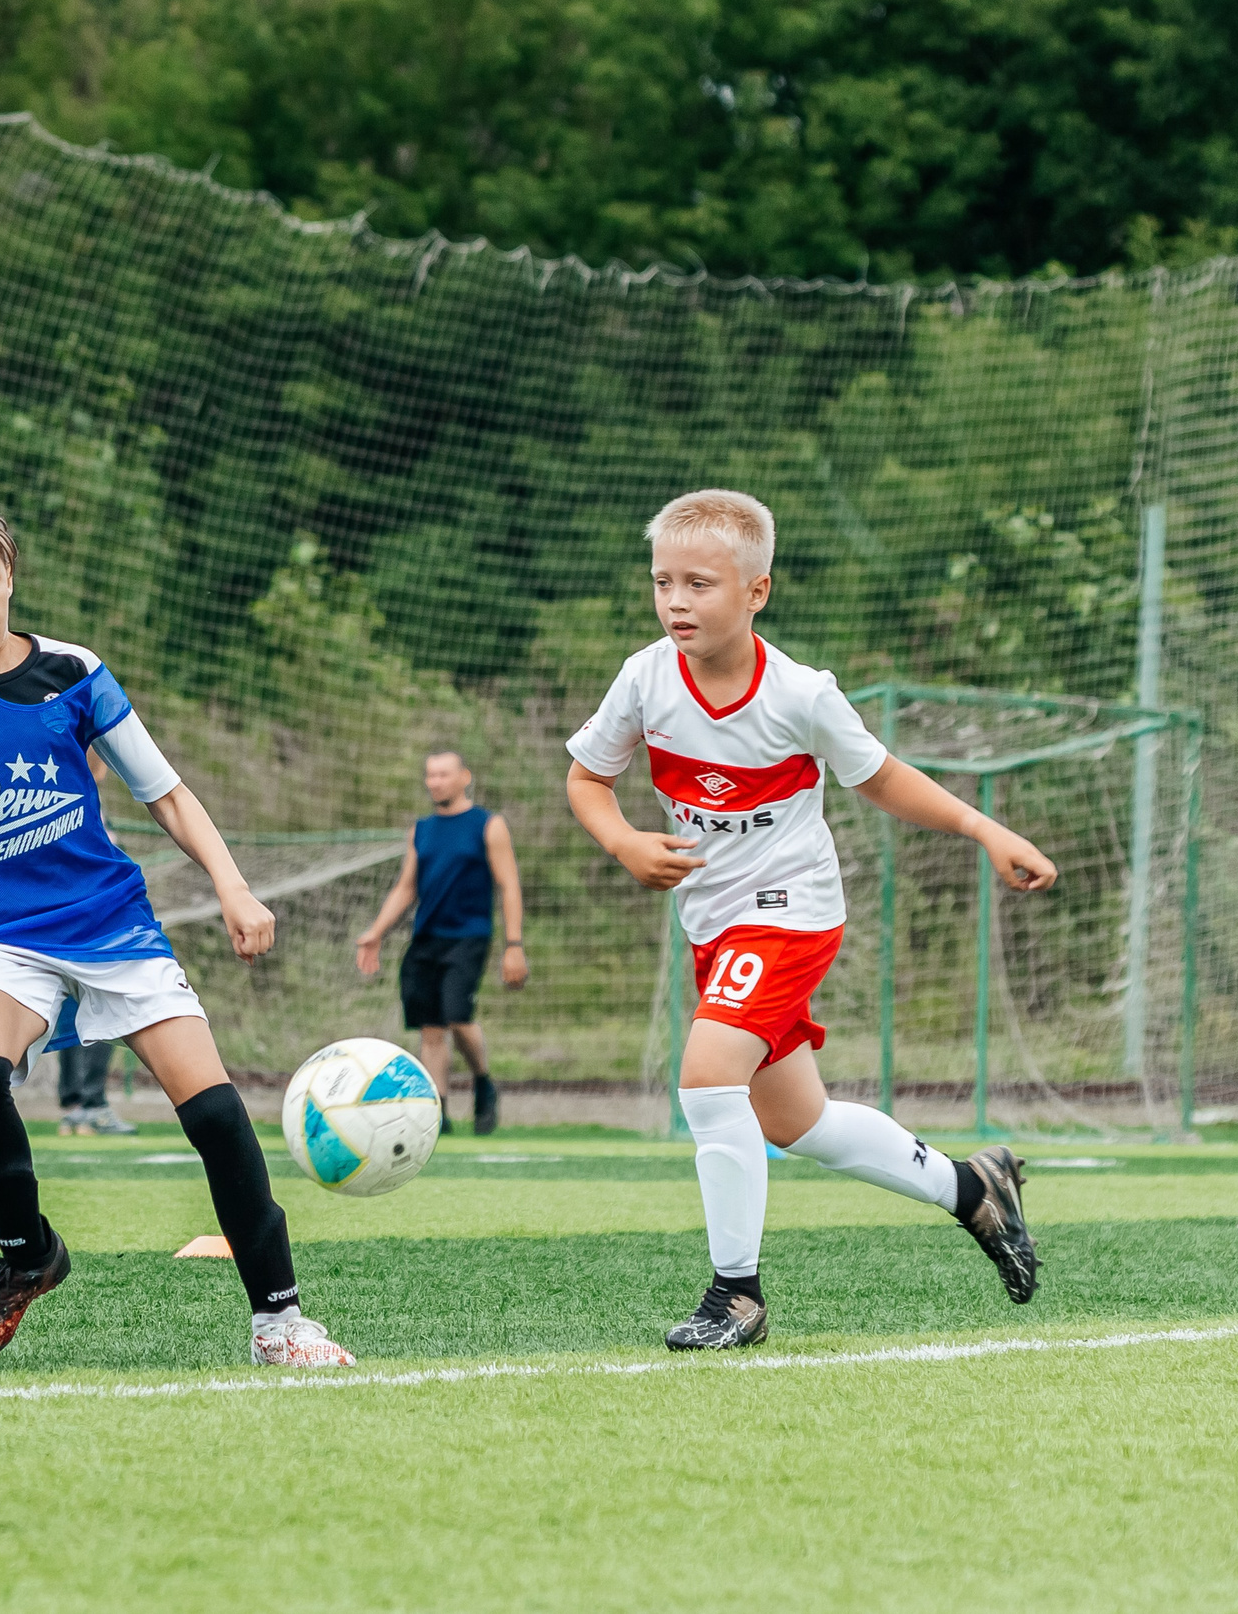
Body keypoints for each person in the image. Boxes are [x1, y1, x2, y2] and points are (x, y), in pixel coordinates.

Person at [0, 480, 355, 1370]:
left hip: (108, 924)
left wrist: (236, 888)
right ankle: (28, 1259)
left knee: (214, 1115)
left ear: (10, 573)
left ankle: (281, 1324)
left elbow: (165, 792)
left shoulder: (75, 671)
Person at [562, 488, 1056, 1351]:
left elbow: (881, 775)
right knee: (796, 1122)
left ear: (756, 592)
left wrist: (983, 828)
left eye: (701, 585)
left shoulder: (800, 694)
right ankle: (974, 1189)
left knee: (708, 1078)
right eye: (663, 582)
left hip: (791, 913)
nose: (677, 601)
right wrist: (623, 844)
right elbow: (585, 779)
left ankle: (736, 1298)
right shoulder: (644, 677)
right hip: (714, 923)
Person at [355, 750, 529, 1135]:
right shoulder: (421, 829)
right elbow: (406, 887)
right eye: (430, 775)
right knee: (431, 1029)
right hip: (425, 940)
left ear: (463, 777)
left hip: (468, 936)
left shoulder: (488, 824)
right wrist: (376, 932)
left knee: (457, 1017)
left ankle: (483, 1083)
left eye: (444, 774)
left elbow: (509, 885)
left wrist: (514, 945)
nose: (436, 781)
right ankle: (438, 1111)